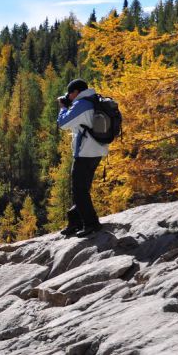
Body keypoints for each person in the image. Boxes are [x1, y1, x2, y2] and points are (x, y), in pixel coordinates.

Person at [56, 78, 108, 237]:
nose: (69, 96)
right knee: (82, 189)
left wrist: (63, 108)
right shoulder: (93, 99)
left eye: (70, 93)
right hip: (97, 151)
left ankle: (91, 224)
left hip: (85, 153)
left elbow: (63, 124)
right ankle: (75, 222)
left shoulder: (82, 105)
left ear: (76, 92)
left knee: (79, 190)